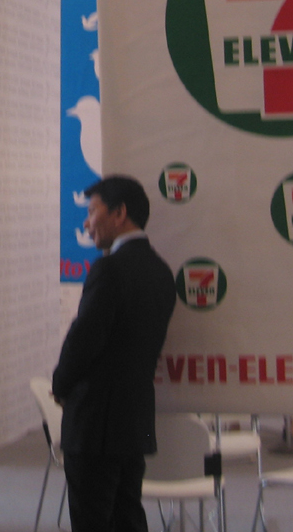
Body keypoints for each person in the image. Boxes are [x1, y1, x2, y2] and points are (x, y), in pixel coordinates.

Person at [52, 176, 176, 532]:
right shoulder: (161, 272)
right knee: (128, 516)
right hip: (133, 421)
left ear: (119, 214)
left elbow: (84, 340)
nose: (87, 223)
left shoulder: (109, 269)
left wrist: (60, 384)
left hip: (96, 425)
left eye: (93, 212)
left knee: (92, 519)